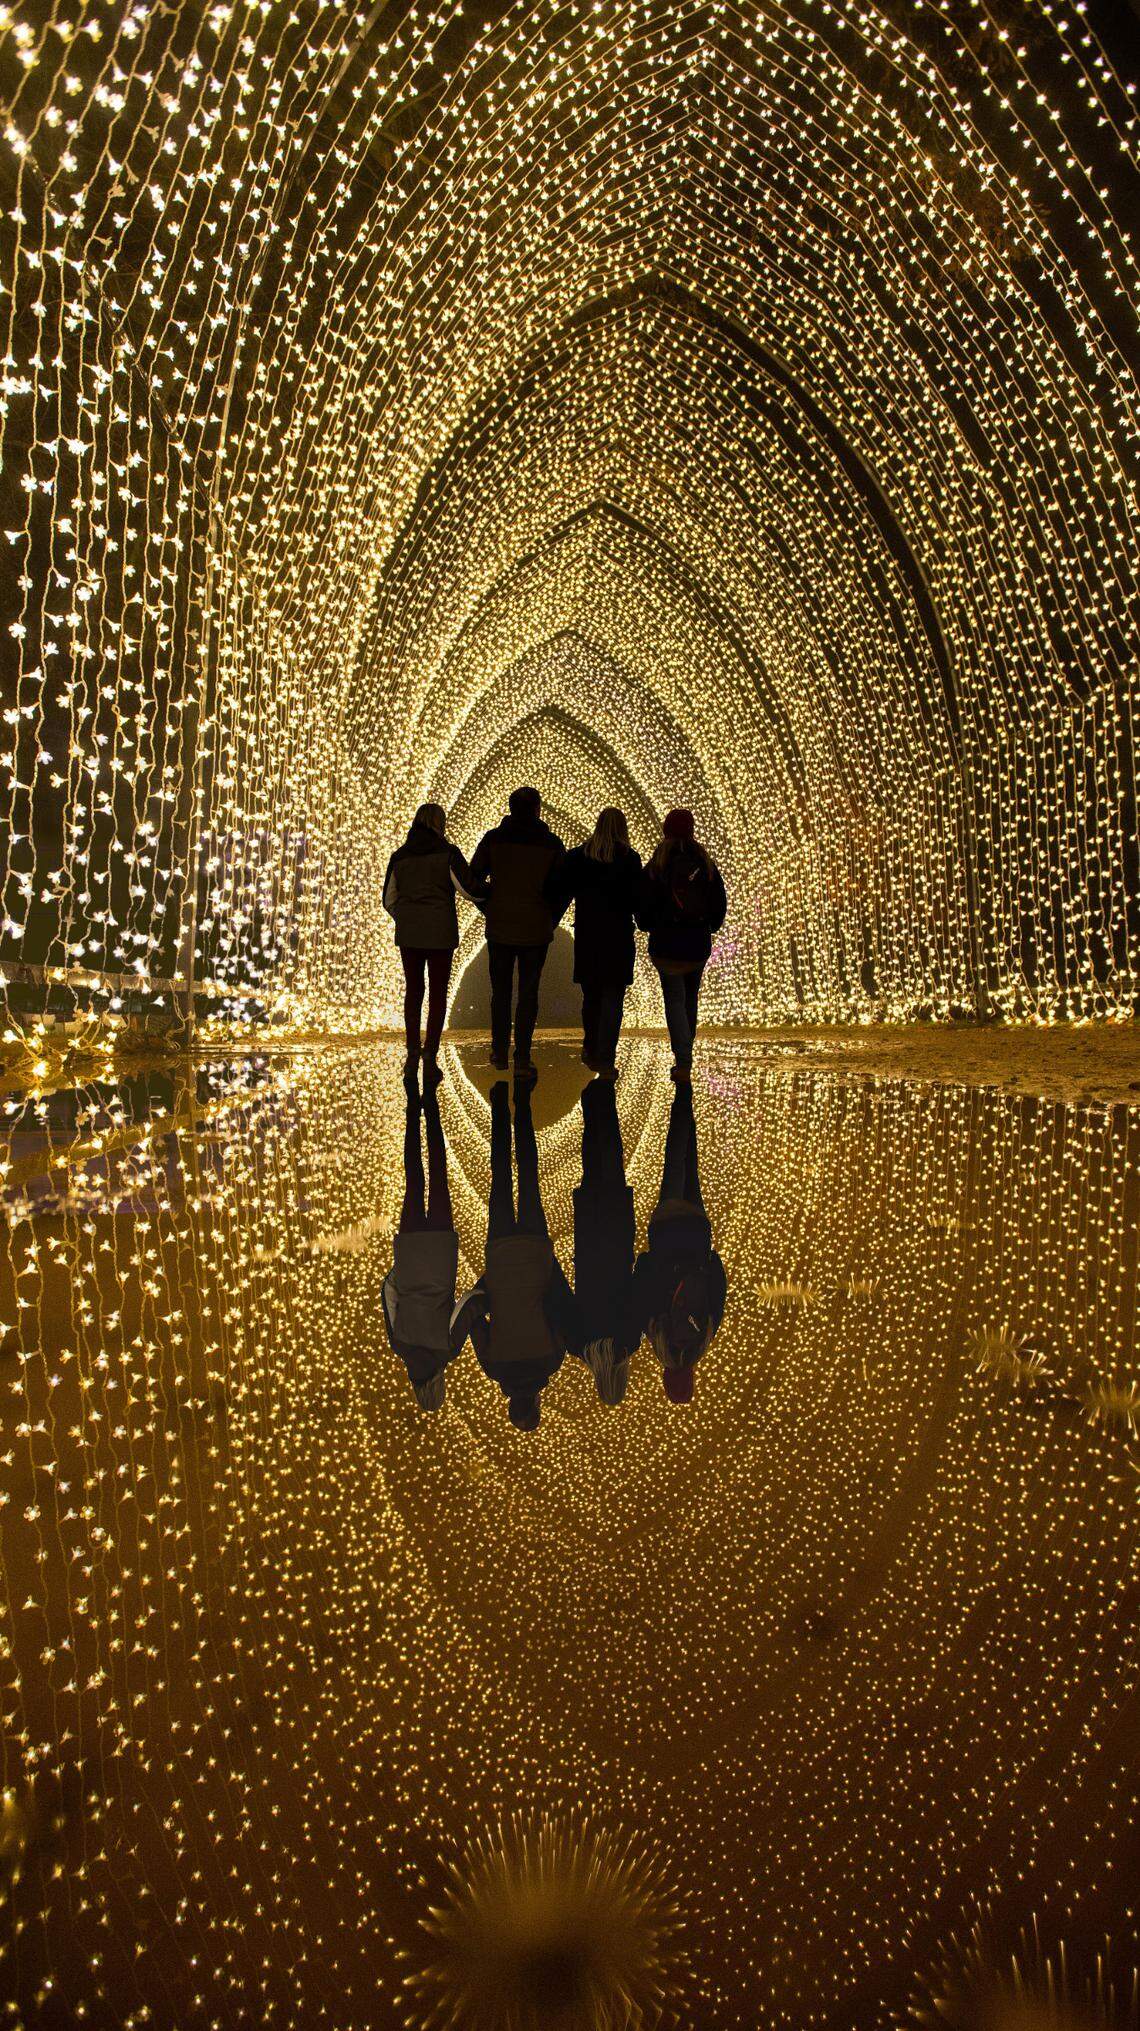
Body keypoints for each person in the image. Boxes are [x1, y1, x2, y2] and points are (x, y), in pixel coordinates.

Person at [450, 1080, 581, 1429]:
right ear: (511, 1403)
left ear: (536, 1402)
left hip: (535, 1253)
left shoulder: (551, 1361)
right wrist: (491, 1282)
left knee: (528, 1177)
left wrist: (550, 1265)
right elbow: (476, 1318)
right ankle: (498, 1102)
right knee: (500, 1180)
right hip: (501, 1256)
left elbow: (558, 1307)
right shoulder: (494, 1367)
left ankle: (522, 1099)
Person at [631, 1079, 727, 1405]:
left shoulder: (704, 1339)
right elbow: (642, 1284)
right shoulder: (657, 1337)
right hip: (666, 1230)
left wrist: (710, 1259)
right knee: (673, 1165)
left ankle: (686, 1102)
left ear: (692, 1378)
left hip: (697, 1233)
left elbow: (718, 1291)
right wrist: (645, 1259)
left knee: (691, 1166)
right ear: (667, 1378)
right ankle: (679, 1101)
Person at [382, 802, 484, 1083]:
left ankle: (412, 1050)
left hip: (410, 935)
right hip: (440, 934)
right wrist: (493, 895)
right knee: (438, 994)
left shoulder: (399, 856)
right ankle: (430, 1053)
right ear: (439, 824)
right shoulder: (447, 853)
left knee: (414, 990)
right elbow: (469, 889)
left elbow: (389, 899)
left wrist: (407, 917)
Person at [470, 787, 565, 1082]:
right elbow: (561, 887)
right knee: (528, 992)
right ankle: (522, 1057)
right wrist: (551, 917)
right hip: (535, 928)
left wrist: (490, 905)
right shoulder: (551, 843)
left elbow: (473, 878)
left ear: (511, 808)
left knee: (500, 991)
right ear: (537, 809)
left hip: (500, 927)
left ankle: (499, 1052)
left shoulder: (493, 839)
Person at [381, 1082, 460, 1411]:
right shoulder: (398, 1345)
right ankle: (414, 1107)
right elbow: (387, 1292)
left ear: (437, 1385)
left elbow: (468, 1304)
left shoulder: (448, 1349)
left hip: (440, 1254)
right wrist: (403, 1268)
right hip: (412, 1252)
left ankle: (433, 1105)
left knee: (438, 1175)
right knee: (414, 1178)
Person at [547, 806, 642, 1076]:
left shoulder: (579, 856)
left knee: (591, 996)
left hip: (589, 935)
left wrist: (550, 920)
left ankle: (590, 1048)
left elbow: (560, 889)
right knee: (613, 997)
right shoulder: (629, 859)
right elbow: (636, 899)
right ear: (622, 829)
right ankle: (606, 1056)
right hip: (619, 937)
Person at [636, 808, 726, 1082]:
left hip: (666, 944)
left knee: (674, 1000)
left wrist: (648, 924)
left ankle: (683, 1060)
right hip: (697, 943)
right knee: (689, 999)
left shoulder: (657, 863)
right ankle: (685, 1055)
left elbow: (643, 902)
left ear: (666, 830)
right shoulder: (704, 862)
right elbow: (718, 901)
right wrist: (709, 926)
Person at [572, 1077, 638, 1407]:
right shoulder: (579, 1345)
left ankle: (605, 1097)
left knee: (612, 1163)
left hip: (616, 1237)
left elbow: (637, 1289)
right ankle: (590, 1106)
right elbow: (564, 1300)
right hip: (587, 1238)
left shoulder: (630, 1340)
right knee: (591, 1167)